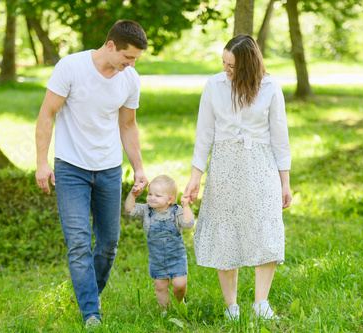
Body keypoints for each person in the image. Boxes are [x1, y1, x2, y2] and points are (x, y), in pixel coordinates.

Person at [35, 20, 149, 327]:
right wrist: (41, 162)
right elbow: (47, 113)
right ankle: (90, 313)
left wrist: (138, 167)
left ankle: (89, 293)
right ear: (111, 46)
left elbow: (128, 125)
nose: (131, 64)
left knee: (109, 243)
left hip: (109, 170)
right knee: (79, 242)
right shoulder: (70, 67)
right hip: (71, 169)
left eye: (136, 59)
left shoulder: (130, 79)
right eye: (128, 57)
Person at [183, 34, 292, 321]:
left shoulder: (270, 87)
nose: (225, 70)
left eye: (231, 66)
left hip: (261, 165)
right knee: (225, 232)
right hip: (224, 166)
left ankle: (260, 303)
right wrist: (196, 176)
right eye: (224, 63)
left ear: (247, 65)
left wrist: (285, 181)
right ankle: (231, 306)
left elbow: (280, 138)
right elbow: (204, 134)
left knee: (265, 228)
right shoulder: (214, 85)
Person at [125, 175, 195, 314]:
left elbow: (188, 223)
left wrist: (186, 206)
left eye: (157, 195)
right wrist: (132, 195)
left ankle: (180, 302)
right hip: (157, 258)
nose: (151, 197)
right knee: (160, 286)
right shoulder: (146, 210)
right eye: (150, 194)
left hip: (176, 257)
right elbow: (130, 209)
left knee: (179, 285)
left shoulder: (176, 211)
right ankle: (165, 311)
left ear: (170, 199)